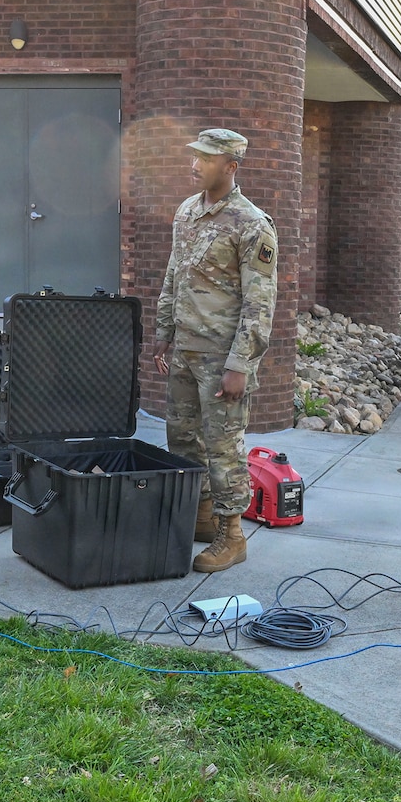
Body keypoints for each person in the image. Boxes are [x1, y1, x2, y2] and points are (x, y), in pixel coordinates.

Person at [150, 128, 278, 574]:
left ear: (231, 166)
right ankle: (202, 517)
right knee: (183, 439)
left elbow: (259, 303)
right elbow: (174, 276)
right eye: (195, 157)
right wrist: (164, 330)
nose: (195, 164)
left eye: (205, 158)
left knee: (222, 446)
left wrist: (241, 364)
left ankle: (232, 535)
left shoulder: (252, 224)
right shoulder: (187, 212)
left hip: (220, 356)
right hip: (185, 349)